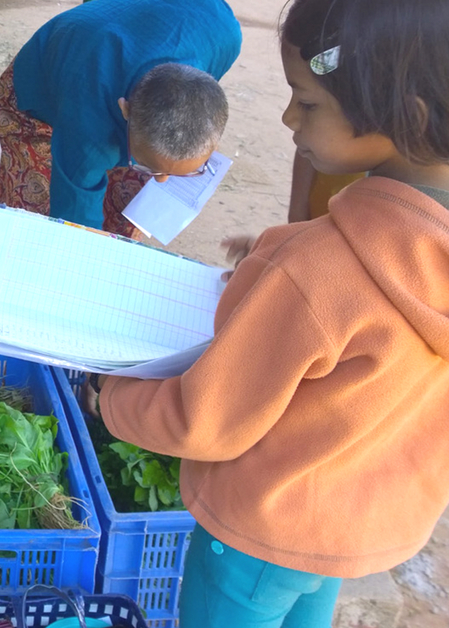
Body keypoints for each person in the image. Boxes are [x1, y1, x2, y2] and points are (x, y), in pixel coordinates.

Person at [89, 0, 449, 625]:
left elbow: (203, 420)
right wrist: (277, 254)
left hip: (259, 535)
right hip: (348, 534)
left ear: (407, 117)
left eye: (307, 102)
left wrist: (109, 394)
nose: (287, 118)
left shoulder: (313, 270)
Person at [0, 0, 241, 237]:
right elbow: (74, 223)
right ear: (125, 110)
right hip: (43, 87)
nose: (163, 180)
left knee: (128, 206)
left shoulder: (225, 34)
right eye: (148, 166)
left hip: (103, 46)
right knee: (33, 213)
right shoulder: (89, 131)